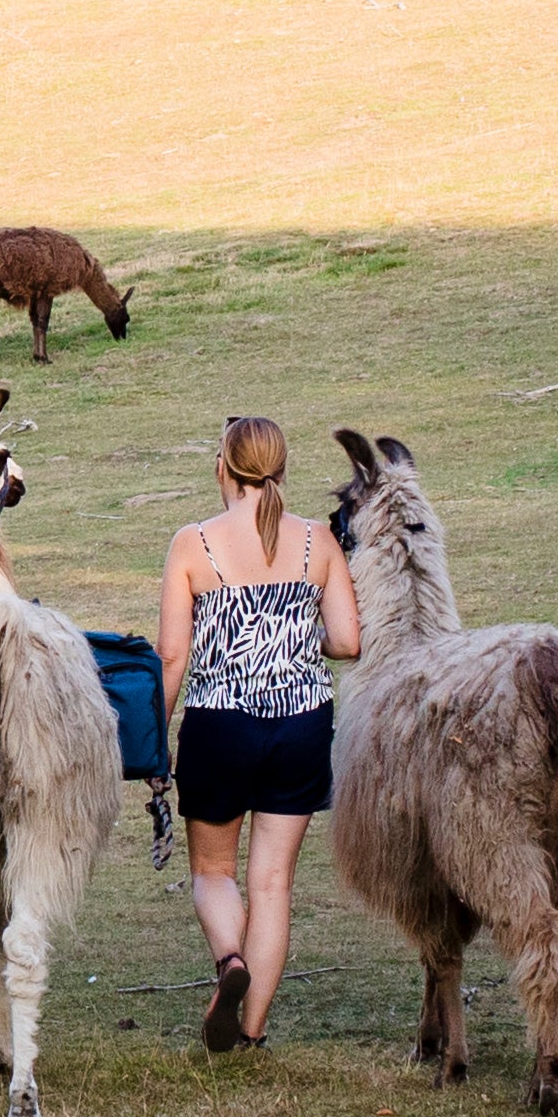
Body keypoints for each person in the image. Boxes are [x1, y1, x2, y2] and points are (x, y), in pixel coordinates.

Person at [156, 415, 360, 1053]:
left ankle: (229, 963)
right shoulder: (317, 541)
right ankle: (252, 1032)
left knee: (214, 871)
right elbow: (350, 642)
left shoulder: (193, 544)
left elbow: (170, 657)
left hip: (220, 726)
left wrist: (153, 740)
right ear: (281, 469)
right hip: (301, 726)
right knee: (273, 882)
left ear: (224, 466)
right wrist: (298, 636)